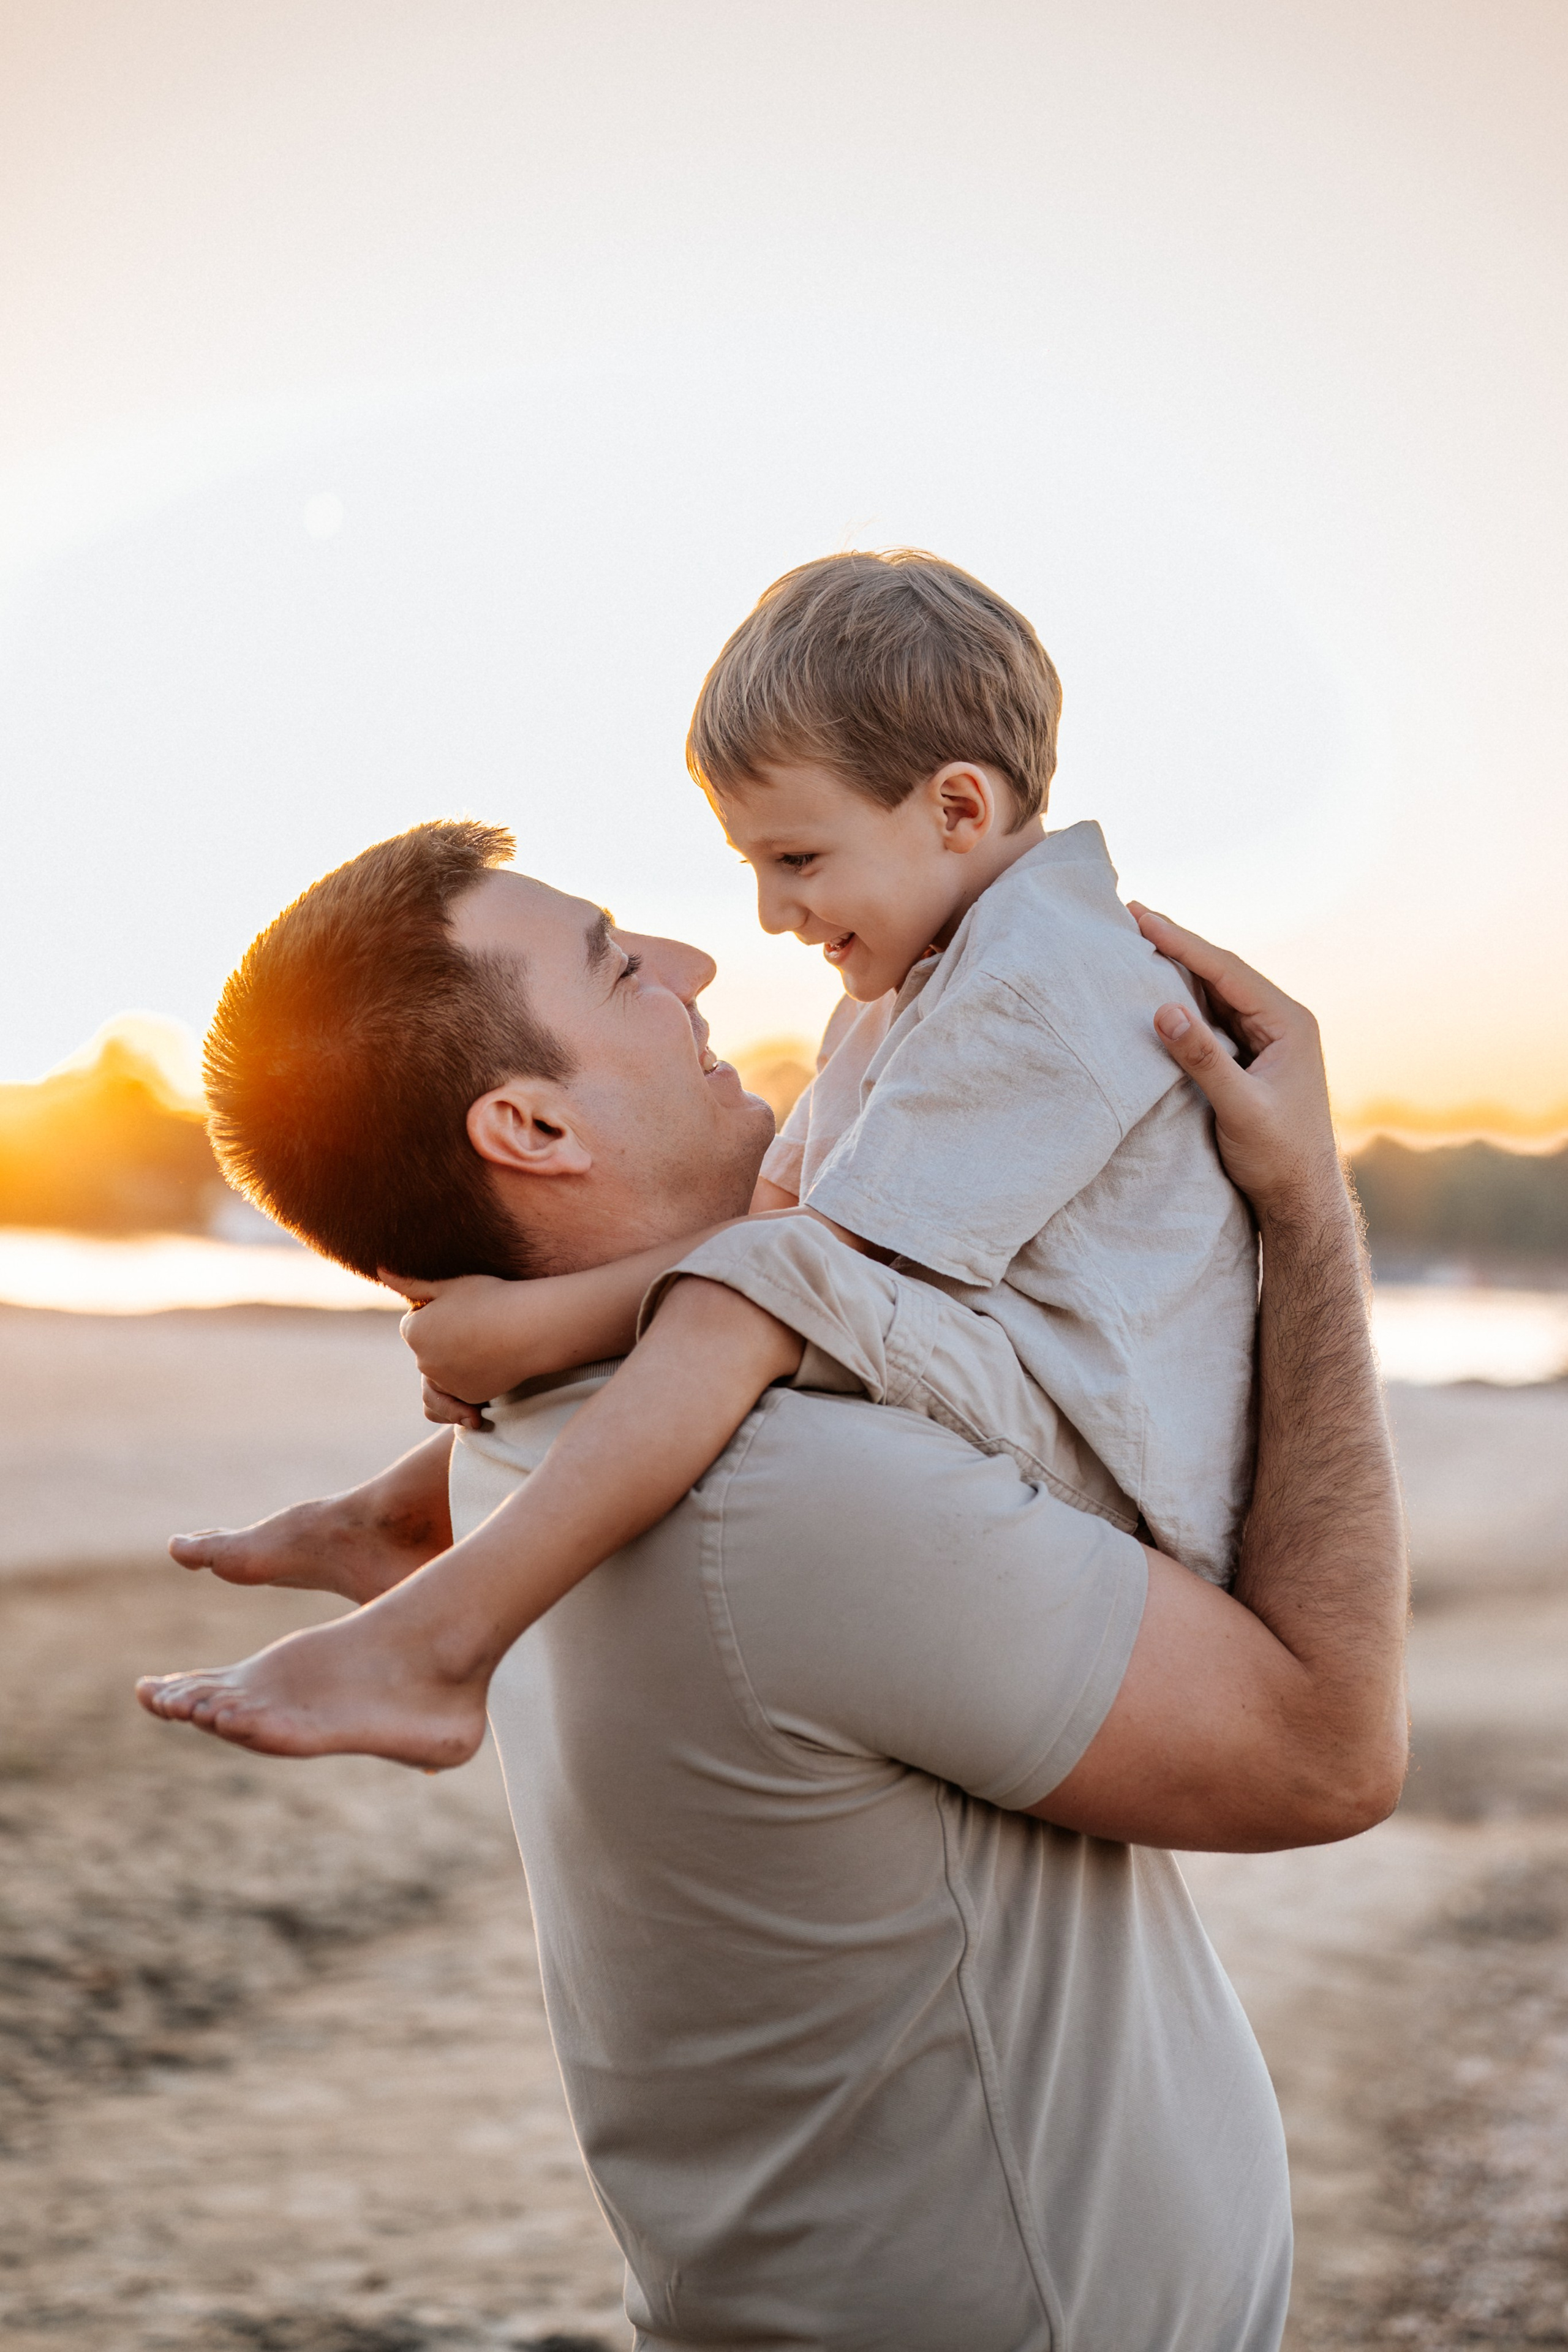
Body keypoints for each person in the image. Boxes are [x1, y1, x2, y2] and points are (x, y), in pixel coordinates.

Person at [141, 821, 1406, 2349]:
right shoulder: (792, 1493)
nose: (693, 965)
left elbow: (808, 1264)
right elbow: (1326, 1758)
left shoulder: (538, 1449)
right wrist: (1303, 1216)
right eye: (618, 964)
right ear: (531, 1128)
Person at [138, 554, 1256, 1766]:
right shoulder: (910, 984)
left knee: (738, 1307)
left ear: (955, 811)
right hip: (1015, 1374)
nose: (770, 917)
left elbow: (803, 1262)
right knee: (735, 1293)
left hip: (1113, 1454)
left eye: (798, 860)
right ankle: (409, 1515)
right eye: (756, 868)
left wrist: (538, 1326)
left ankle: (446, 1642)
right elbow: (789, 1212)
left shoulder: (1044, 985)